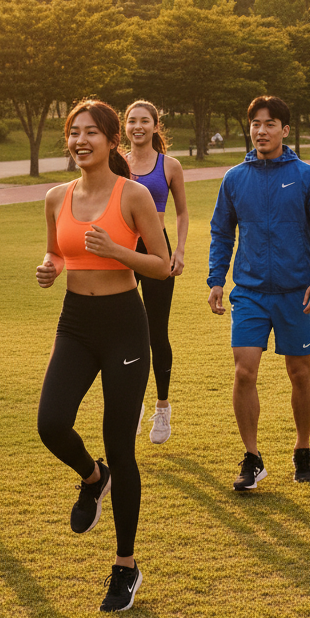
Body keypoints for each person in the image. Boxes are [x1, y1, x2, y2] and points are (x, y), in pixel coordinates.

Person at [36, 99, 170, 611]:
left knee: (120, 443)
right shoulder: (55, 197)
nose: (79, 140)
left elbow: (160, 265)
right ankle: (94, 479)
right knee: (50, 423)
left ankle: (125, 566)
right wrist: (49, 267)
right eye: (73, 132)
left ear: (112, 141)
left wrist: (117, 252)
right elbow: (55, 251)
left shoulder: (132, 195)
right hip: (76, 322)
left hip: (122, 326)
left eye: (91, 132)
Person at [208, 95, 310, 490]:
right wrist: (217, 279)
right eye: (255, 125)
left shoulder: (306, 176)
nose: (261, 131)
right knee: (244, 370)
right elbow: (221, 231)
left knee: (299, 372)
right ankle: (252, 457)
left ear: (285, 129)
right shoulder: (234, 178)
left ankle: (302, 449)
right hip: (248, 292)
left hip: (295, 293)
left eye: (269, 124)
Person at [124, 100, 189, 444]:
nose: (138, 126)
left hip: (156, 248)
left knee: (156, 330)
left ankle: (161, 407)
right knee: (123, 330)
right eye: (132, 121)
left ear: (154, 126)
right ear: (125, 126)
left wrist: (178, 250)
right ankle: (133, 405)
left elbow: (181, 212)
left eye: (144, 121)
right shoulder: (116, 163)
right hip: (122, 251)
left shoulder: (170, 165)